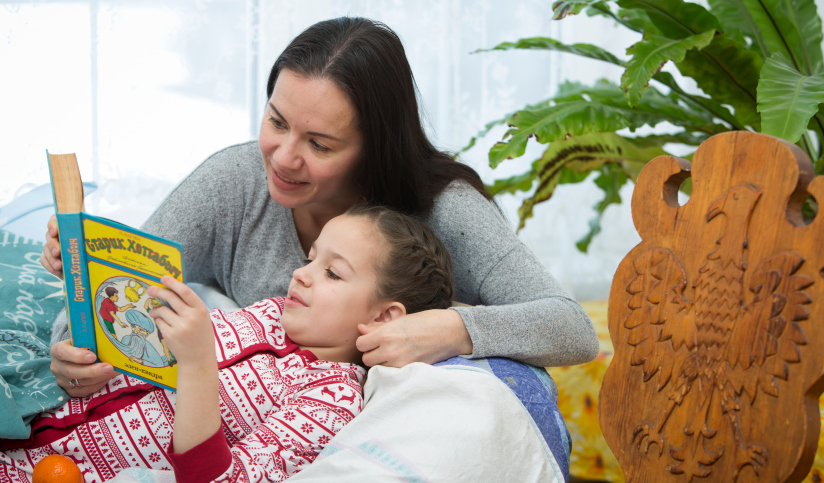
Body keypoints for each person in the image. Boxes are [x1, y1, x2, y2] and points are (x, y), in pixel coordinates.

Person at [41, 16, 599, 399]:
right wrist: (74, 347)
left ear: (374, 148)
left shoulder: (446, 210)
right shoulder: (234, 182)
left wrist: (451, 328)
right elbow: (113, 289)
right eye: (276, 121)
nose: (283, 158)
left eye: (320, 145)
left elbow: (571, 327)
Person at [2, 205, 455, 483]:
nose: (301, 274)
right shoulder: (269, 312)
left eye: (333, 273)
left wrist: (198, 364)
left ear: (383, 318)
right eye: (310, 258)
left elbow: (223, 479)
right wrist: (85, 278)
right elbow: (140, 339)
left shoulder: (330, 400)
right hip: (31, 414)